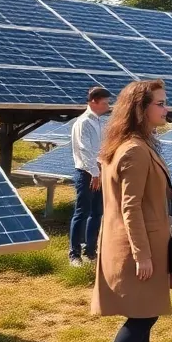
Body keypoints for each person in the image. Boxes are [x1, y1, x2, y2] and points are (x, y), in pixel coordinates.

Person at [90, 79, 172, 342]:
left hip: (139, 239)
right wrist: (142, 254)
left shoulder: (131, 144)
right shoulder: (135, 150)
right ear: (141, 109)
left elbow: (142, 201)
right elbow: (130, 207)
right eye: (160, 103)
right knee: (142, 316)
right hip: (135, 246)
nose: (166, 109)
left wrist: (165, 219)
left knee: (145, 309)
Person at [69, 86, 111, 267]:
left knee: (97, 213)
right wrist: (94, 173)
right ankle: (74, 254)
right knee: (82, 212)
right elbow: (84, 150)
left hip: (99, 173)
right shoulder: (83, 122)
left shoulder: (100, 122)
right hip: (86, 174)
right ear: (93, 102)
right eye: (104, 103)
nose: (107, 106)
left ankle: (90, 252)